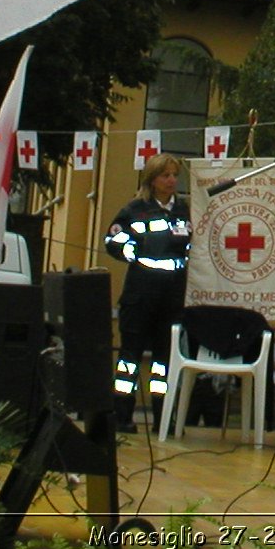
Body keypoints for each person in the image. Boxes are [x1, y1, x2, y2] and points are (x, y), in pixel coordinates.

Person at [103, 153, 191, 433]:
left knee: (163, 361)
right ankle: (121, 415)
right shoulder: (135, 210)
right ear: (152, 180)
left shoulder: (184, 211)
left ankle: (163, 417)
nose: (172, 181)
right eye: (166, 175)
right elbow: (113, 239)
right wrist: (130, 251)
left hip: (172, 295)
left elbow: (192, 243)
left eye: (175, 175)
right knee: (129, 358)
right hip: (140, 293)